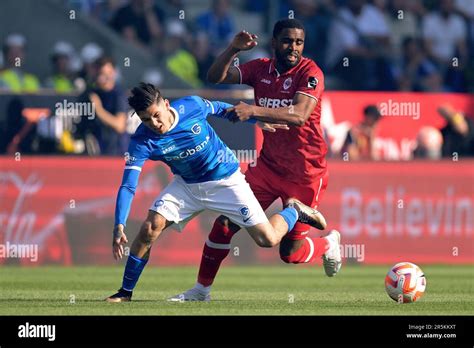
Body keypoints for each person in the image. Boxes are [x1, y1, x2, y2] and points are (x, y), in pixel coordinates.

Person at [170, 19, 342, 302]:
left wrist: (253, 111)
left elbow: (299, 115)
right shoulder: (260, 68)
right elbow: (215, 77)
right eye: (287, 41)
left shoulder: (310, 73)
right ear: (274, 43)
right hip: (268, 167)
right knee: (224, 225)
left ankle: (327, 245)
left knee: (289, 253)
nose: (293, 48)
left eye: (299, 42)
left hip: (306, 173)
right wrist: (232, 50)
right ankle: (201, 290)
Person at [105, 83, 325, 302]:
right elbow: (128, 185)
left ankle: (294, 210)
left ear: (166, 104)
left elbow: (221, 108)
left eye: (156, 115)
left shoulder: (191, 106)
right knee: (149, 228)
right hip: (187, 186)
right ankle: (125, 292)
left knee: (267, 239)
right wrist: (119, 224)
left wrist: (255, 120)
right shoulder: (141, 141)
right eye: (146, 119)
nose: (154, 123)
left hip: (226, 181)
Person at [87, 56, 128, 155]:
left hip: (116, 153)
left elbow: (120, 125)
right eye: (100, 73)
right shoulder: (92, 93)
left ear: (113, 73)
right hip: (97, 153)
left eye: (106, 74)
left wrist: (99, 110)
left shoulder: (118, 95)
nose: (102, 77)